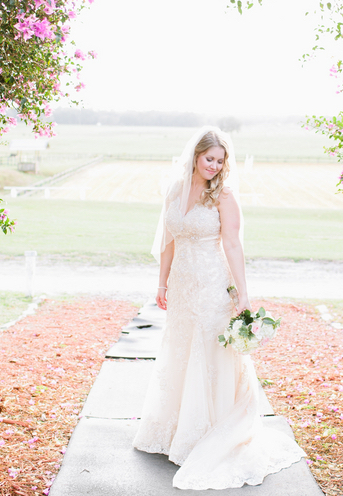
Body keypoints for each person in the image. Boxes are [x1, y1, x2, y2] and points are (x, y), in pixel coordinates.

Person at [132, 127, 305, 490]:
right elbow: (168, 242)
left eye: (220, 160)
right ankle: (175, 427)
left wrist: (243, 294)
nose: (214, 165)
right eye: (209, 158)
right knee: (180, 350)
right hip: (181, 284)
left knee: (210, 354)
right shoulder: (175, 190)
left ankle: (211, 429)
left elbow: (233, 245)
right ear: (195, 156)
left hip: (212, 285)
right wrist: (161, 283)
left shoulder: (224, 196)